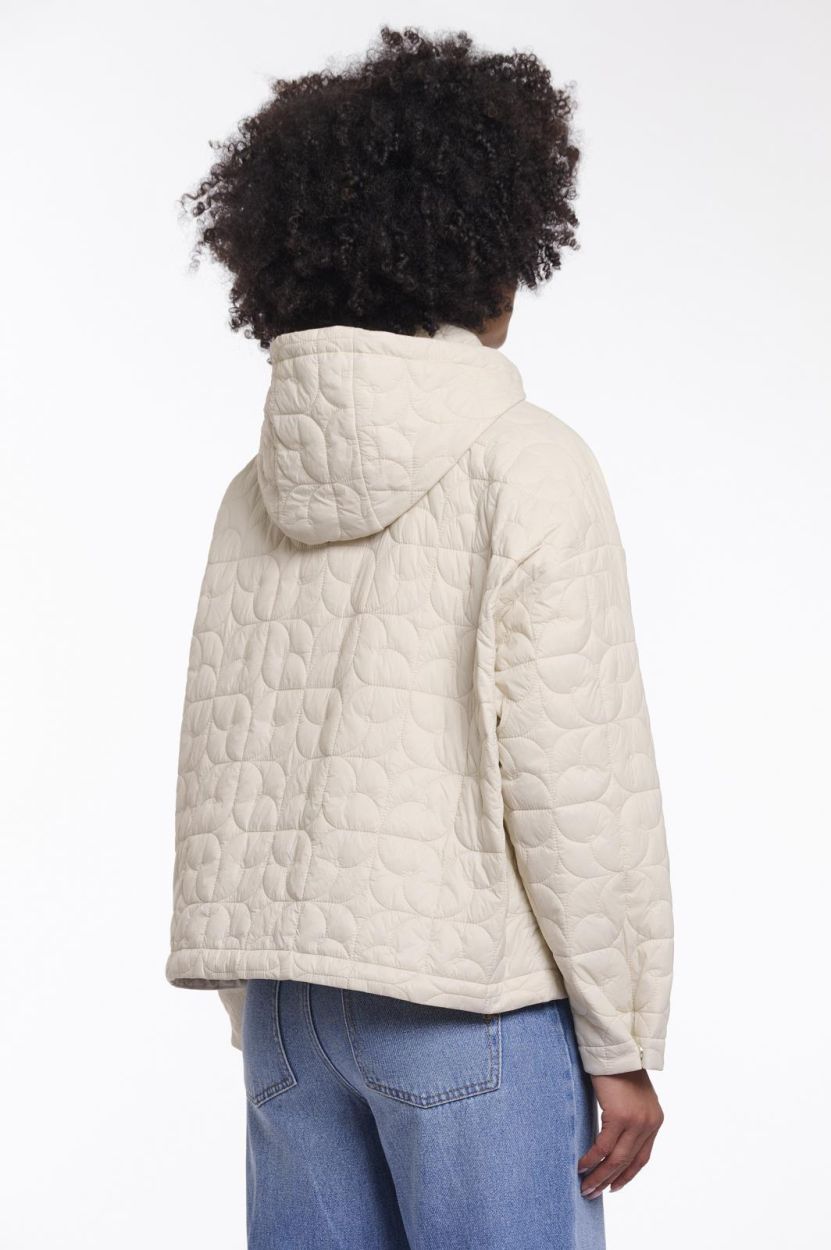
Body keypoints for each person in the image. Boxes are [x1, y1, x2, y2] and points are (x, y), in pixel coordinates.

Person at [165, 25, 674, 1250]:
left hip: (288, 1012)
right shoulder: (527, 462)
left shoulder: (255, 489)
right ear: (484, 250)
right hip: (467, 1005)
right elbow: (575, 772)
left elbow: (227, 756)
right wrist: (622, 1037)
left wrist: (257, 992)